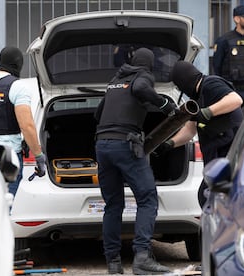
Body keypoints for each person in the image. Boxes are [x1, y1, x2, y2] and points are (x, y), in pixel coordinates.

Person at [94, 47, 175, 275]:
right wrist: (164, 105)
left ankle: (113, 262)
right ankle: (142, 258)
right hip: (125, 145)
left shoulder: (114, 80)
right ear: (149, 64)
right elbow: (140, 89)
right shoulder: (143, 76)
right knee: (148, 199)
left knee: (113, 205)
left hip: (102, 145)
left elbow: (98, 115)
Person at [157, 61, 244, 208]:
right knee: (205, 197)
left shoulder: (211, 83)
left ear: (184, 80)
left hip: (228, 156)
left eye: (179, 84)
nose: (180, 88)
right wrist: (169, 144)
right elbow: (189, 131)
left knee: (211, 199)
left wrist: (207, 112)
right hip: (215, 159)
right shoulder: (196, 99)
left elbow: (236, 99)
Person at [0, 46, 46, 197]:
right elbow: (27, 126)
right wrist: (39, 156)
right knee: (4, 204)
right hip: (6, 157)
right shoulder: (17, 86)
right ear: (18, 64)